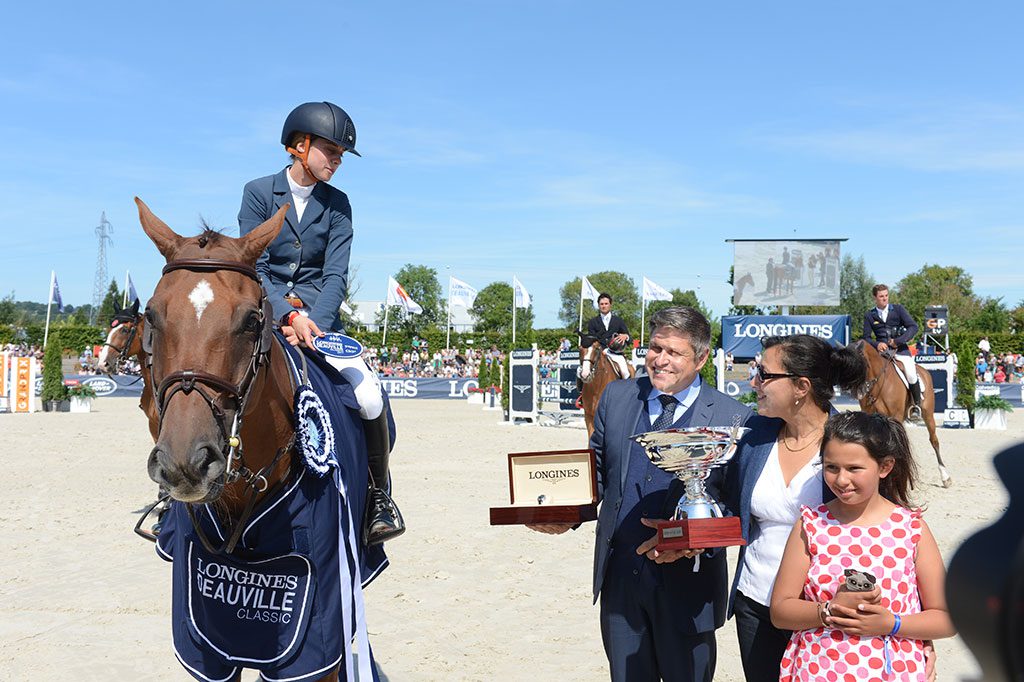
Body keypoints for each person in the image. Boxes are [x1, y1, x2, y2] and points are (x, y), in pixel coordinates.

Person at [532, 306, 753, 681]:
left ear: (700, 359)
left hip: (690, 586)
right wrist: (562, 513)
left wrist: (698, 540)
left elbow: (738, 504)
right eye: (655, 348)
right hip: (621, 580)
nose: (660, 360)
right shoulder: (617, 398)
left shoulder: (733, 417)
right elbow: (596, 472)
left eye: (674, 352)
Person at [238, 101, 403, 545]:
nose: (337, 160)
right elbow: (256, 267)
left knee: (369, 396)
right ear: (299, 145)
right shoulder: (257, 192)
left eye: (341, 154)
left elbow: (335, 276)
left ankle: (378, 497)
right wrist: (286, 315)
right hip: (266, 312)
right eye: (330, 150)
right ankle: (173, 493)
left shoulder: (339, 206)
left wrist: (312, 323)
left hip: (319, 322)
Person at [722, 334, 867, 682]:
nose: (753, 381)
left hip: (829, 610)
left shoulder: (854, 439)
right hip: (755, 603)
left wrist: (915, 634)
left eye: (764, 374)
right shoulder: (753, 434)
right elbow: (723, 500)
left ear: (801, 386)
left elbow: (888, 528)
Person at [770, 411, 956, 680]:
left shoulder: (911, 529)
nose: (841, 480)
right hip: (820, 668)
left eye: (854, 469)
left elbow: (946, 617)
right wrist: (829, 610)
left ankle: (915, 400)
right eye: (831, 467)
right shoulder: (810, 525)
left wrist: (892, 623)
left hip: (894, 671)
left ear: (885, 467)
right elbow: (780, 610)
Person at [863, 284, 924, 421]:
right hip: (881, 353)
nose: (884, 299)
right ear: (875, 298)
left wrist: (898, 341)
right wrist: (877, 344)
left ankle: (915, 406)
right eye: (881, 296)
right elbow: (866, 337)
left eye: (886, 295)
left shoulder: (898, 309)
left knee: (911, 373)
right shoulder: (869, 315)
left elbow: (913, 327)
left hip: (900, 350)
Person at [581, 293, 631, 381]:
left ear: (610, 305)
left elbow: (630, 338)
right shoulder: (593, 322)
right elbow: (591, 340)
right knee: (582, 370)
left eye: (606, 304)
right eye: (601, 304)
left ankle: (626, 390)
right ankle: (582, 392)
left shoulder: (618, 321)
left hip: (615, 353)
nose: (604, 306)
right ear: (598, 305)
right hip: (598, 353)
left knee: (625, 371)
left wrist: (625, 336)